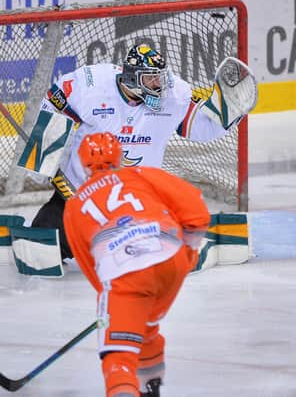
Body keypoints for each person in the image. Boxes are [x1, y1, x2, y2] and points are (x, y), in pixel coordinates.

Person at [32, 43, 232, 260]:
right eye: (150, 78)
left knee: (156, 255)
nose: (159, 85)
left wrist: (228, 113)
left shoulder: (173, 96)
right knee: (41, 246)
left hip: (138, 202)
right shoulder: (91, 86)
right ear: (132, 77)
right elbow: (54, 104)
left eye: (160, 77)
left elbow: (202, 127)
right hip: (80, 195)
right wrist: (43, 159)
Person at [63, 132, 211, 397]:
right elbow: (196, 212)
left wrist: (113, 304)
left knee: (118, 358)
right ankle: (150, 390)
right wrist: (187, 251)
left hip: (125, 271)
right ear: (119, 157)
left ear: (82, 166)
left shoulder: (74, 205)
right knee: (146, 329)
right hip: (170, 258)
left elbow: (90, 265)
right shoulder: (140, 174)